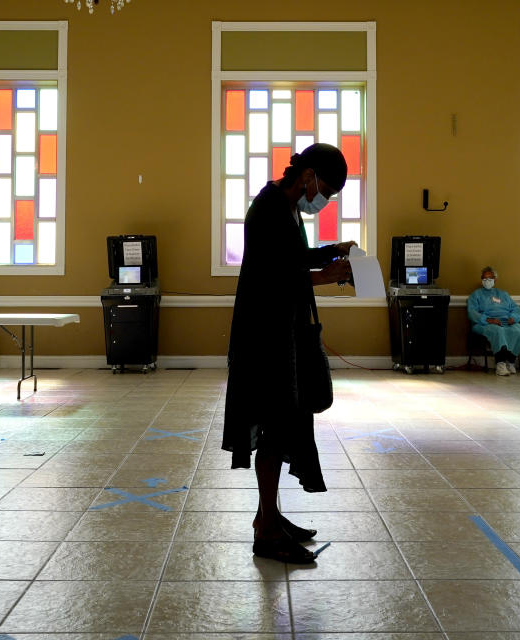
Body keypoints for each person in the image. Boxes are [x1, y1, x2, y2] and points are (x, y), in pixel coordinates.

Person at [222, 143, 354, 565]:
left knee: (282, 422)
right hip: (265, 334)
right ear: (308, 175)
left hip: (282, 331)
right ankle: (266, 530)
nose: (325, 200)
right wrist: (326, 276)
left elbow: (293, 258)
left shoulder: (287, 205)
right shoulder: (268, 208)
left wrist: (332, 251)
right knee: (274, 424)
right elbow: (275, 276)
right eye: (326, 191)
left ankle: (271, 515)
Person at [466, 267, 520, 376]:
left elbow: (515, 308)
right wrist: (489, 320)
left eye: (490, 278)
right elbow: (472, 312)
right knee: (498, 331)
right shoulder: (476, 295)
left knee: (517, 330)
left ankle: (510, 362)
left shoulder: (503, 294)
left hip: (506, 321)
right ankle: (500, 364)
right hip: (484, 323)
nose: (487, 281)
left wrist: (514, 318)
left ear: (495, 279)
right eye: (484, 278)